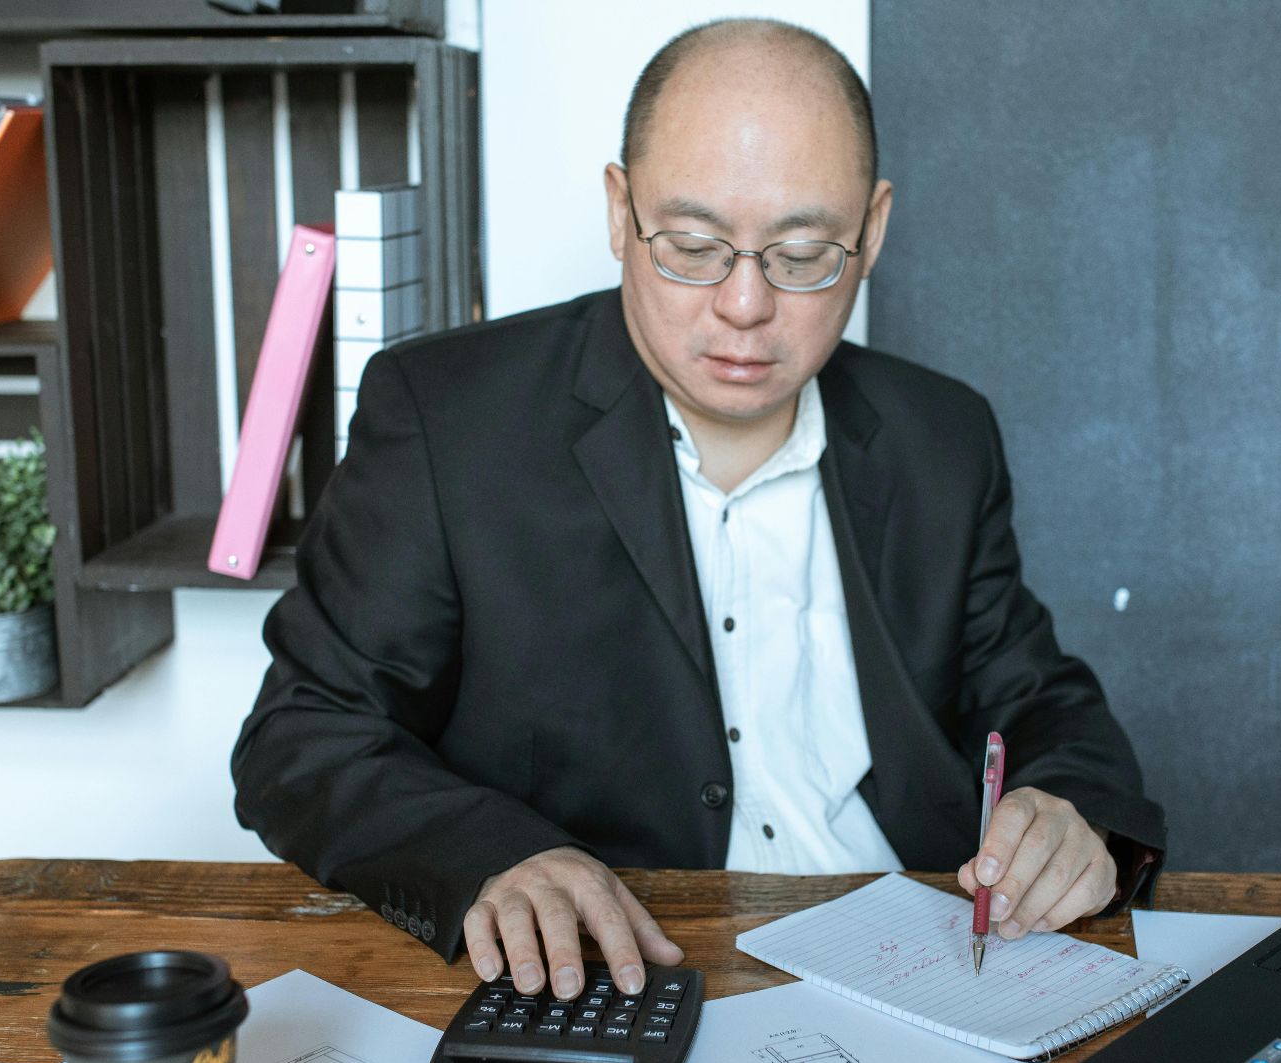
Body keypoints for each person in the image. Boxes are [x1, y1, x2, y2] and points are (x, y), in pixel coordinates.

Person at [232, 17, 1165, 1003]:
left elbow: (1037, 703)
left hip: (927, 967)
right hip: (617, 972)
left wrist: (1073, 813)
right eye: (692, 246)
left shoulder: (942, 435)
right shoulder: (446, 418)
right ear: (618, 208)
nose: (746, 306)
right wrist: (487, 856)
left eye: (804, 254)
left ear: (874, 229)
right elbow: (303, 734)